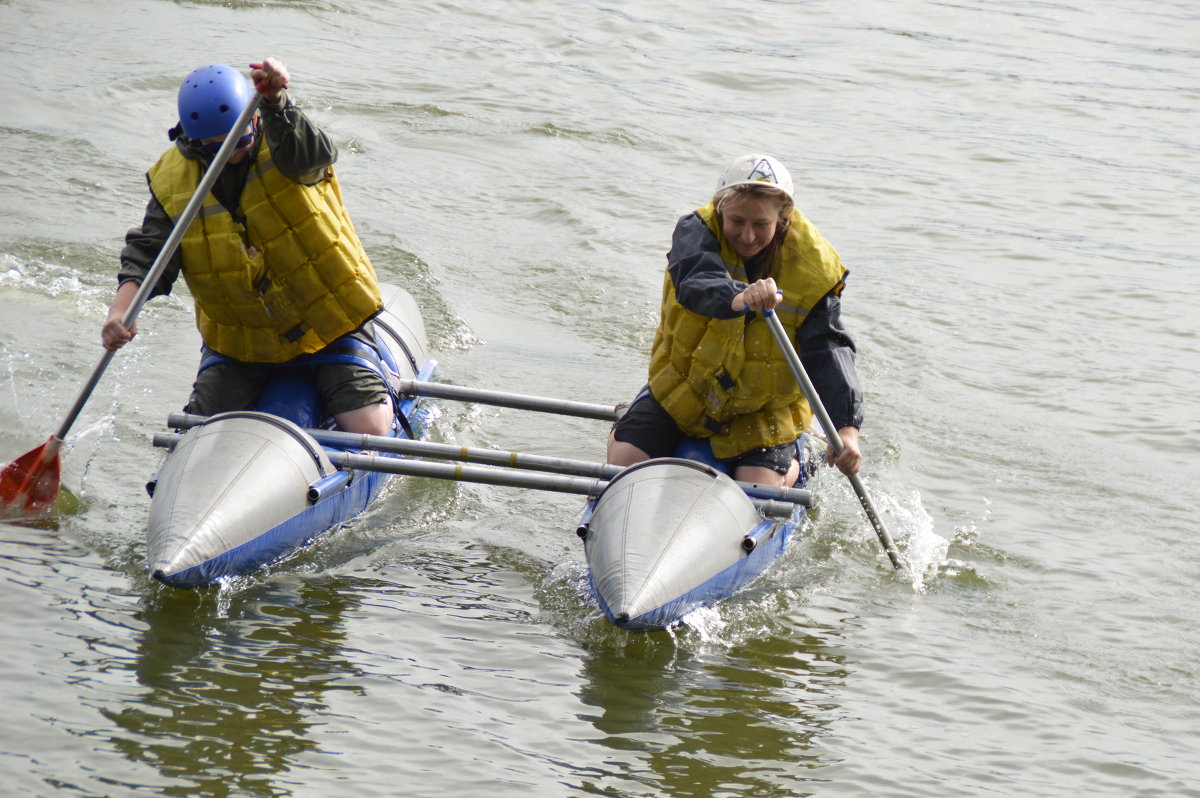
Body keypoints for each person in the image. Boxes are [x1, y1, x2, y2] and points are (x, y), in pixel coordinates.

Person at [101, 58, 394, 436]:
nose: (231, 153)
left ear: (252, 120)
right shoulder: (172, 180)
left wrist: (275, 100)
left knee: (368, 427)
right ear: (193, 139)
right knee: (196, 436)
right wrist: (120, 312)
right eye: (214, 147)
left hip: (326, 323)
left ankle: (380, 376)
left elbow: (315, 157)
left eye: (238, 141)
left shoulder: (283, 138)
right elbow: (149, 253)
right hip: (242, 343)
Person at [607, 154, 864, 488]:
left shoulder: (816, 270)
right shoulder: (695, 231)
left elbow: (829, 350)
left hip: (763, 412)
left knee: (759, 485)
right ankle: (627, 422)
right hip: (685, 391)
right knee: (625, 460)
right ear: (720, 211)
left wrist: (846, 431)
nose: (747, 236)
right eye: (736, 220)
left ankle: (798, 465)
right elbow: (694, 279)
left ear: (783, 219)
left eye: (761, 225)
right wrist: (739, 296)